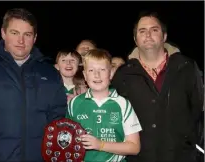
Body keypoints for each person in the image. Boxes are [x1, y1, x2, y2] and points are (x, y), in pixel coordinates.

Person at [0, 8, 67, 162]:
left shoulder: (50, 74)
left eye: (27, 35)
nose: (20, 41)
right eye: (14, 33)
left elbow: (58, 121)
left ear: (35, 38)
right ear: (3, 33)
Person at [111, 11, 204, 162]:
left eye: (154, 30)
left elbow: (197, 109)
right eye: (142, 31)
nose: (148, 35)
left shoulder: (186, 67)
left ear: (164, 36)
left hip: (181, 156)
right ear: (135, 39)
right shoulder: (123, 74)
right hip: (140, 157)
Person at [66, 48, 142, 162]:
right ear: (85, 75)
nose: (97, 75)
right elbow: (68, 141)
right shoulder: (74, 103)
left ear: (111, 73)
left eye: (102, 69)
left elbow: (134, 147)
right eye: (91, 70)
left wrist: (100, 145)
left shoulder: (123, 104)